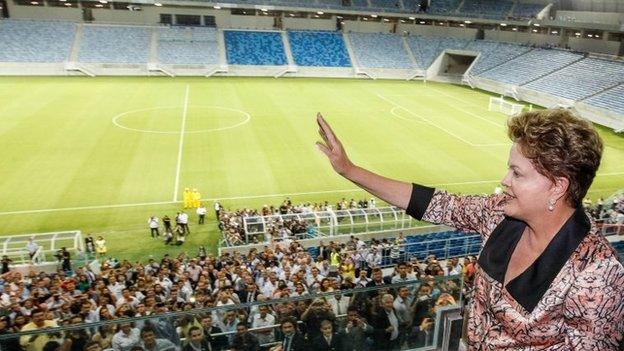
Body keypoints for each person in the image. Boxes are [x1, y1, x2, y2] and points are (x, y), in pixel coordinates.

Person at [315, 109, 624, 349]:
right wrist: (350, 170)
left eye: (517, 173)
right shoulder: (499, 215)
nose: (504, 180)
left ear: (557, 187)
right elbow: (436, 203)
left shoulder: (597, 272)